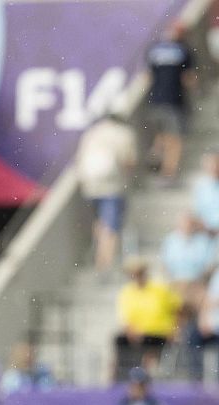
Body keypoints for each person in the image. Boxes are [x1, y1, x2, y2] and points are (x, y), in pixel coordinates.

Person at [75, 112, 137, 272]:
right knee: (111, 225)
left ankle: (98, 256)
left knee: (100, 222)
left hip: (91, 186)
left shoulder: (92, 133)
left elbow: (79, 160)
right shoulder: (123, 134)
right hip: (112, 186)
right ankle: (104, 263)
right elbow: (129, 161)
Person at [114, 257, 183, 379]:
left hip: (160, 333)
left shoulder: (160, 289)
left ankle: (143, 375)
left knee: (148, 346)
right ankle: (122, 376)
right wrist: (132, 331)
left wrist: (174, 329)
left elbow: (177, 309)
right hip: (139, 334)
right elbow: (126, 318)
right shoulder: (127, 292)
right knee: (120, 340)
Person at [146, 21, 196, 184]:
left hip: (155, 100)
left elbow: (148, 77)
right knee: (175, 140)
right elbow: (188, 78)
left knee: (162, 134)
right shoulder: (183, 50)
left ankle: (156, 150)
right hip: (173, 101)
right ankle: (169, 174)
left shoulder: (154, 49)